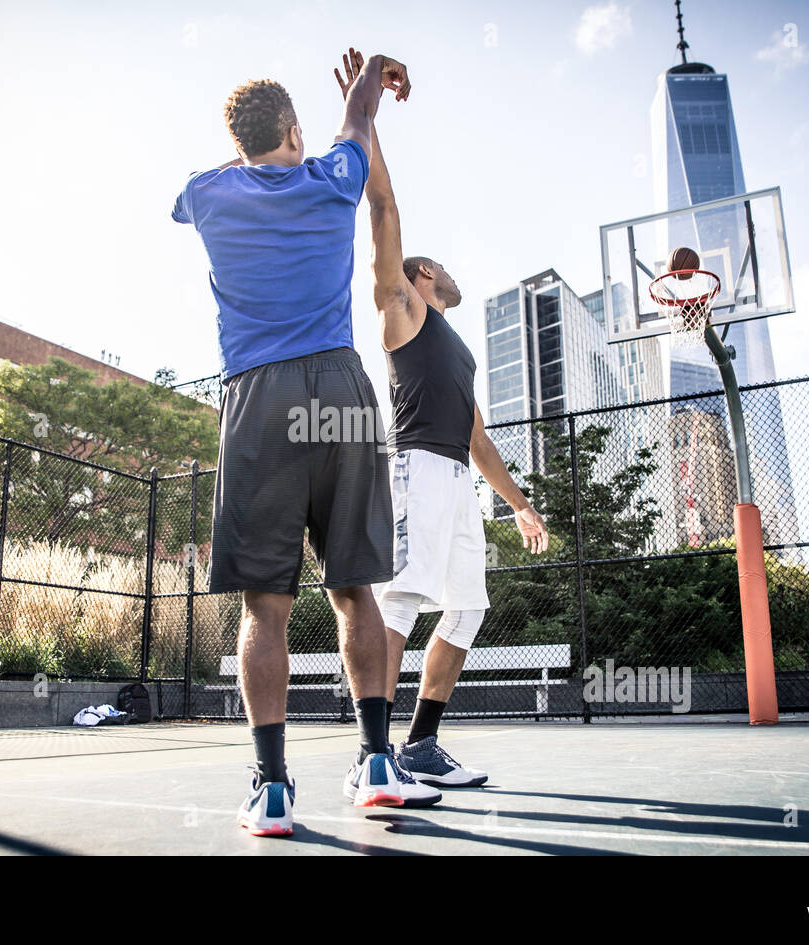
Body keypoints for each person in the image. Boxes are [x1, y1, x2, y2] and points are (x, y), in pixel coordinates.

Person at [173, 51, 437, 838]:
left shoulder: (208, 193)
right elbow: (357, 118)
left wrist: (253, 150)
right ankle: (379, 762)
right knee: (355, 589)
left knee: (268, 604)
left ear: (243, 142)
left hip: (259, 396)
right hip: (342, 388)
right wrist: (372, 78)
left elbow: (194, 192)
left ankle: (274, 786)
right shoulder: (331, 176)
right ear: (296, 130)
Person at [334, 49, 550, 790]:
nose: (451, 272)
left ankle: (422, 744)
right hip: (416, 470)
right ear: (419, 273)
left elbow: (479, 437)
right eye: (440, 265)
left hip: (458, 476)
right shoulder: (404, 306)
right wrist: (368, 118)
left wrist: (519, 504)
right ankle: (375, 752)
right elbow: (383, 208)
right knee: (402, 598)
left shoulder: (457, 350)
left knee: (465, 610)